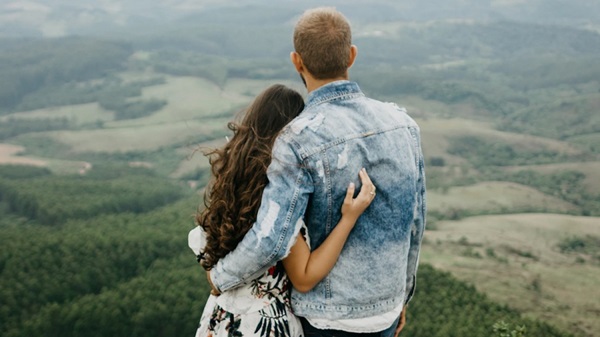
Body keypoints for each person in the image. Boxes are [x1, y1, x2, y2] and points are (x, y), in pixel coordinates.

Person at [208, 7, 426, 337]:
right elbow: (414, 222)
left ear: (297, 62)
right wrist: (403, 296)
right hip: (387, 311)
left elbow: (272, 237)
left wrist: (219, 277)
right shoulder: (404, 125)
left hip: (329, 319)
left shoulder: (297, 140)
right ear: (351, 56)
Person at [189, 84, 377, 336]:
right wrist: (349, 218)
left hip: (221, 318)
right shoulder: (274, 205)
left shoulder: (232, 186)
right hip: (262, 326)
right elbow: (304, 276)